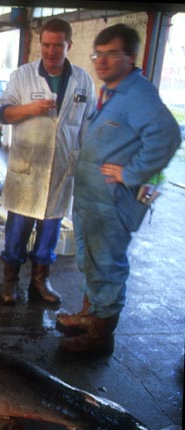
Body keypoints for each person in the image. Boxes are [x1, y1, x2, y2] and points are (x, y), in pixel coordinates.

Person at [55, 24, 181, 355]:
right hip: (91, 202)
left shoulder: (137, 94)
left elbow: (167, 136)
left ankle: (100, 336)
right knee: (89, 261)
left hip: (111, 204)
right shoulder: (111, 92)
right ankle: (89, 314)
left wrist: (133, 172)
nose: (102, 61)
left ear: (131, 57)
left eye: (112, 54)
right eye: (99, 54)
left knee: (106, 265)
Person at [0, 18, 96, 306]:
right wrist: (29, 109)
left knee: (50, 232)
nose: (51, 51)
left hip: (62, 171)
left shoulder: (82, 80)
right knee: (17, 231)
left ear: (69, 45)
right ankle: (10, 281)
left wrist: (86, 165)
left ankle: (41, 280)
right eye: (46, 44)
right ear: (41, 44)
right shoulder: (23, 76)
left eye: (58, 45)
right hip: (27, 169)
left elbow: (89, 125)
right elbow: (1, 114)